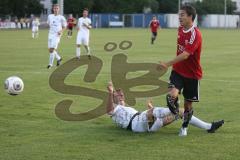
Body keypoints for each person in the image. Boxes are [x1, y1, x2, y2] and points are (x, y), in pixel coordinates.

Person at [157, 5, 224, 136]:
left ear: (190, 17)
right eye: (179, 14)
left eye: (182, 14)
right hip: (178, 72)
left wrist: (167, 63)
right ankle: (176, 111)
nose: (179, 17)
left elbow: (186, 54)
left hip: (192, 75)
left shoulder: (196, 34)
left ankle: (184, 126)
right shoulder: (180, 29)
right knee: (171, 96)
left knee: (188, 106)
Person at [106, 82, 224, 133]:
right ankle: (171, 107)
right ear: (113, 99)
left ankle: (209, 127)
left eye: (121, 94)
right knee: (154, 111)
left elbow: (124, 105)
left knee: (181, 112)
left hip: (148, 126)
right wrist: (110, 92)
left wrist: (150, 108)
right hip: (135, 125)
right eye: (118, 94)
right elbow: (109, 110)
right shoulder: (115, 110)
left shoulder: (122, 107)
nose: (121, 95)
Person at [47, 4, 67, 69]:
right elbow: (49, 24)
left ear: (59, 9)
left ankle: (50, 64)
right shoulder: (50, 16)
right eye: (54, 8)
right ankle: (59, 58)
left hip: (57, 35)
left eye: (57, 8)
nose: (55, 10)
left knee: (52, 49)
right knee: (50, 50)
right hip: (50, 34)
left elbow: (65, 26)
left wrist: (61, 31)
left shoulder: (61, 17)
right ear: (53, 9)